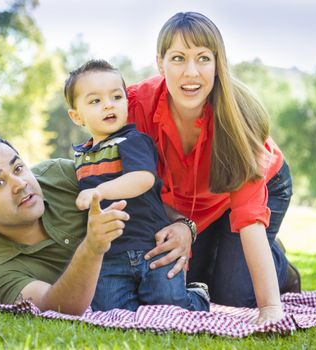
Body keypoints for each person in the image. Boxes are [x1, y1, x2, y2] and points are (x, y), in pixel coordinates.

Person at [126, 12, 301, 324]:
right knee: (187, 273)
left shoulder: (237, 122)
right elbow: (130, 185)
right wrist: (184, 226)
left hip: (260, 187)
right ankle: (224, 254)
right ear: (160, 63)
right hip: (191, 205)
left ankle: (277, 263)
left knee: (234, 294)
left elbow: (248, 217)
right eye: (178, 58)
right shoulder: (136, 106)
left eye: (203, 58)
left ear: (217, 63)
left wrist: (271, 311)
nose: (191, 72)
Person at [64, 59, 209, 312]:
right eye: (95, 101)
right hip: (109, 255)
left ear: (126, 103)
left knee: (168, 306)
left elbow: (143, 178)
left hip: (152, 246)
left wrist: (99, 192)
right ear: (76, 116)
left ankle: (197, 296)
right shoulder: (82, 157)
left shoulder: (132, 140)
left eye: (116, 97)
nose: (108, 104)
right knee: (111, 310)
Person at [0, 134, 131, 315]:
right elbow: (56, 307)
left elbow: (140, 189)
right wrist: (91, 248)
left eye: (18, 168)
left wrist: (162, 225)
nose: (20, 184)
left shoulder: (60, 175)